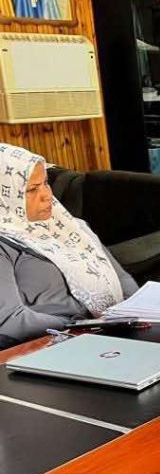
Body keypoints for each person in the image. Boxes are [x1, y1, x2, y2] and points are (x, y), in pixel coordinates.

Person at [0, 145, 138, 349]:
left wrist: (138, 311)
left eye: (45, 183)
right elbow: (10, 321)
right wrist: (84, 325)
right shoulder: (4, 245)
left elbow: (120, 278)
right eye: (31, 190)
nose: (47, 195)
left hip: (113, 328)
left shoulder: (69, 226)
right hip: (56, 344)